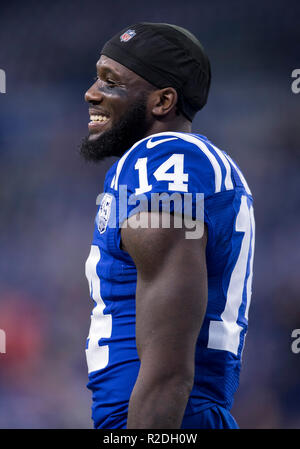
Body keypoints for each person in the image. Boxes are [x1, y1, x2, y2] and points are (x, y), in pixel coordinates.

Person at [80, 22, 255, 429]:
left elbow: (169, 371)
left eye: (112, 82)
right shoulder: (178, 162)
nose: (91, 92)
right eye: (96, 76)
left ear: (163, 101)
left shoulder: (164, 158)